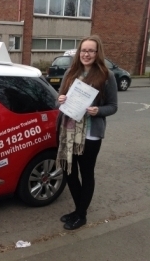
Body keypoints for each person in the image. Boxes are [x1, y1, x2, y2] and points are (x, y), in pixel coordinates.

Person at [56, 35, 118, 230]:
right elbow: (57, 99)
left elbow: (113, 106)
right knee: (69, 172)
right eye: (83, 50)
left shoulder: (106, 75)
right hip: (68, 132)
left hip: (90, 135)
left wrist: (98, 111)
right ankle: (77, 210)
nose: (86, 54)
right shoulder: (70, 73)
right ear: (78, 53)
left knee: (86, 173)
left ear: (97, 53)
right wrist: (61, 99)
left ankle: (81, 215)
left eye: (91, 50)